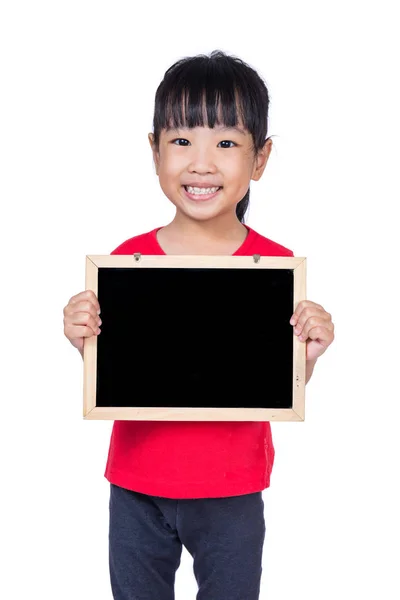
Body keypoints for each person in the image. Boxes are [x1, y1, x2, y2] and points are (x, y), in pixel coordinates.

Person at [63, 49, 335, 600]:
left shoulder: (275, 268)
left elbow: (277, 385)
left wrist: (307, 357)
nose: (201, 163)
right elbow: (118, 368)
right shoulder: (127, 261)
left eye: (227, 143)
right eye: (182, 141)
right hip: (136, 484)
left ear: (260, 159)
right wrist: (82, 339)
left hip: (232, 489)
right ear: (154, 150)